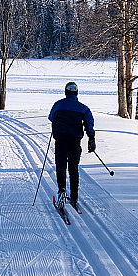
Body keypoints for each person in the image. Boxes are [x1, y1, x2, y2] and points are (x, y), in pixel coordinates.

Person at [48, 81, 95, 211]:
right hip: (75, 141)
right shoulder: (83, 108)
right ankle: (74, 197)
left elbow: (51, 117)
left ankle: (62, 190)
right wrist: (91, 138)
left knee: (61, 166)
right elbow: (89, 123)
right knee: (73, 168)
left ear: (66, 92)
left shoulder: (58, 104)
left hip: (61, 140)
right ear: (76, 93)